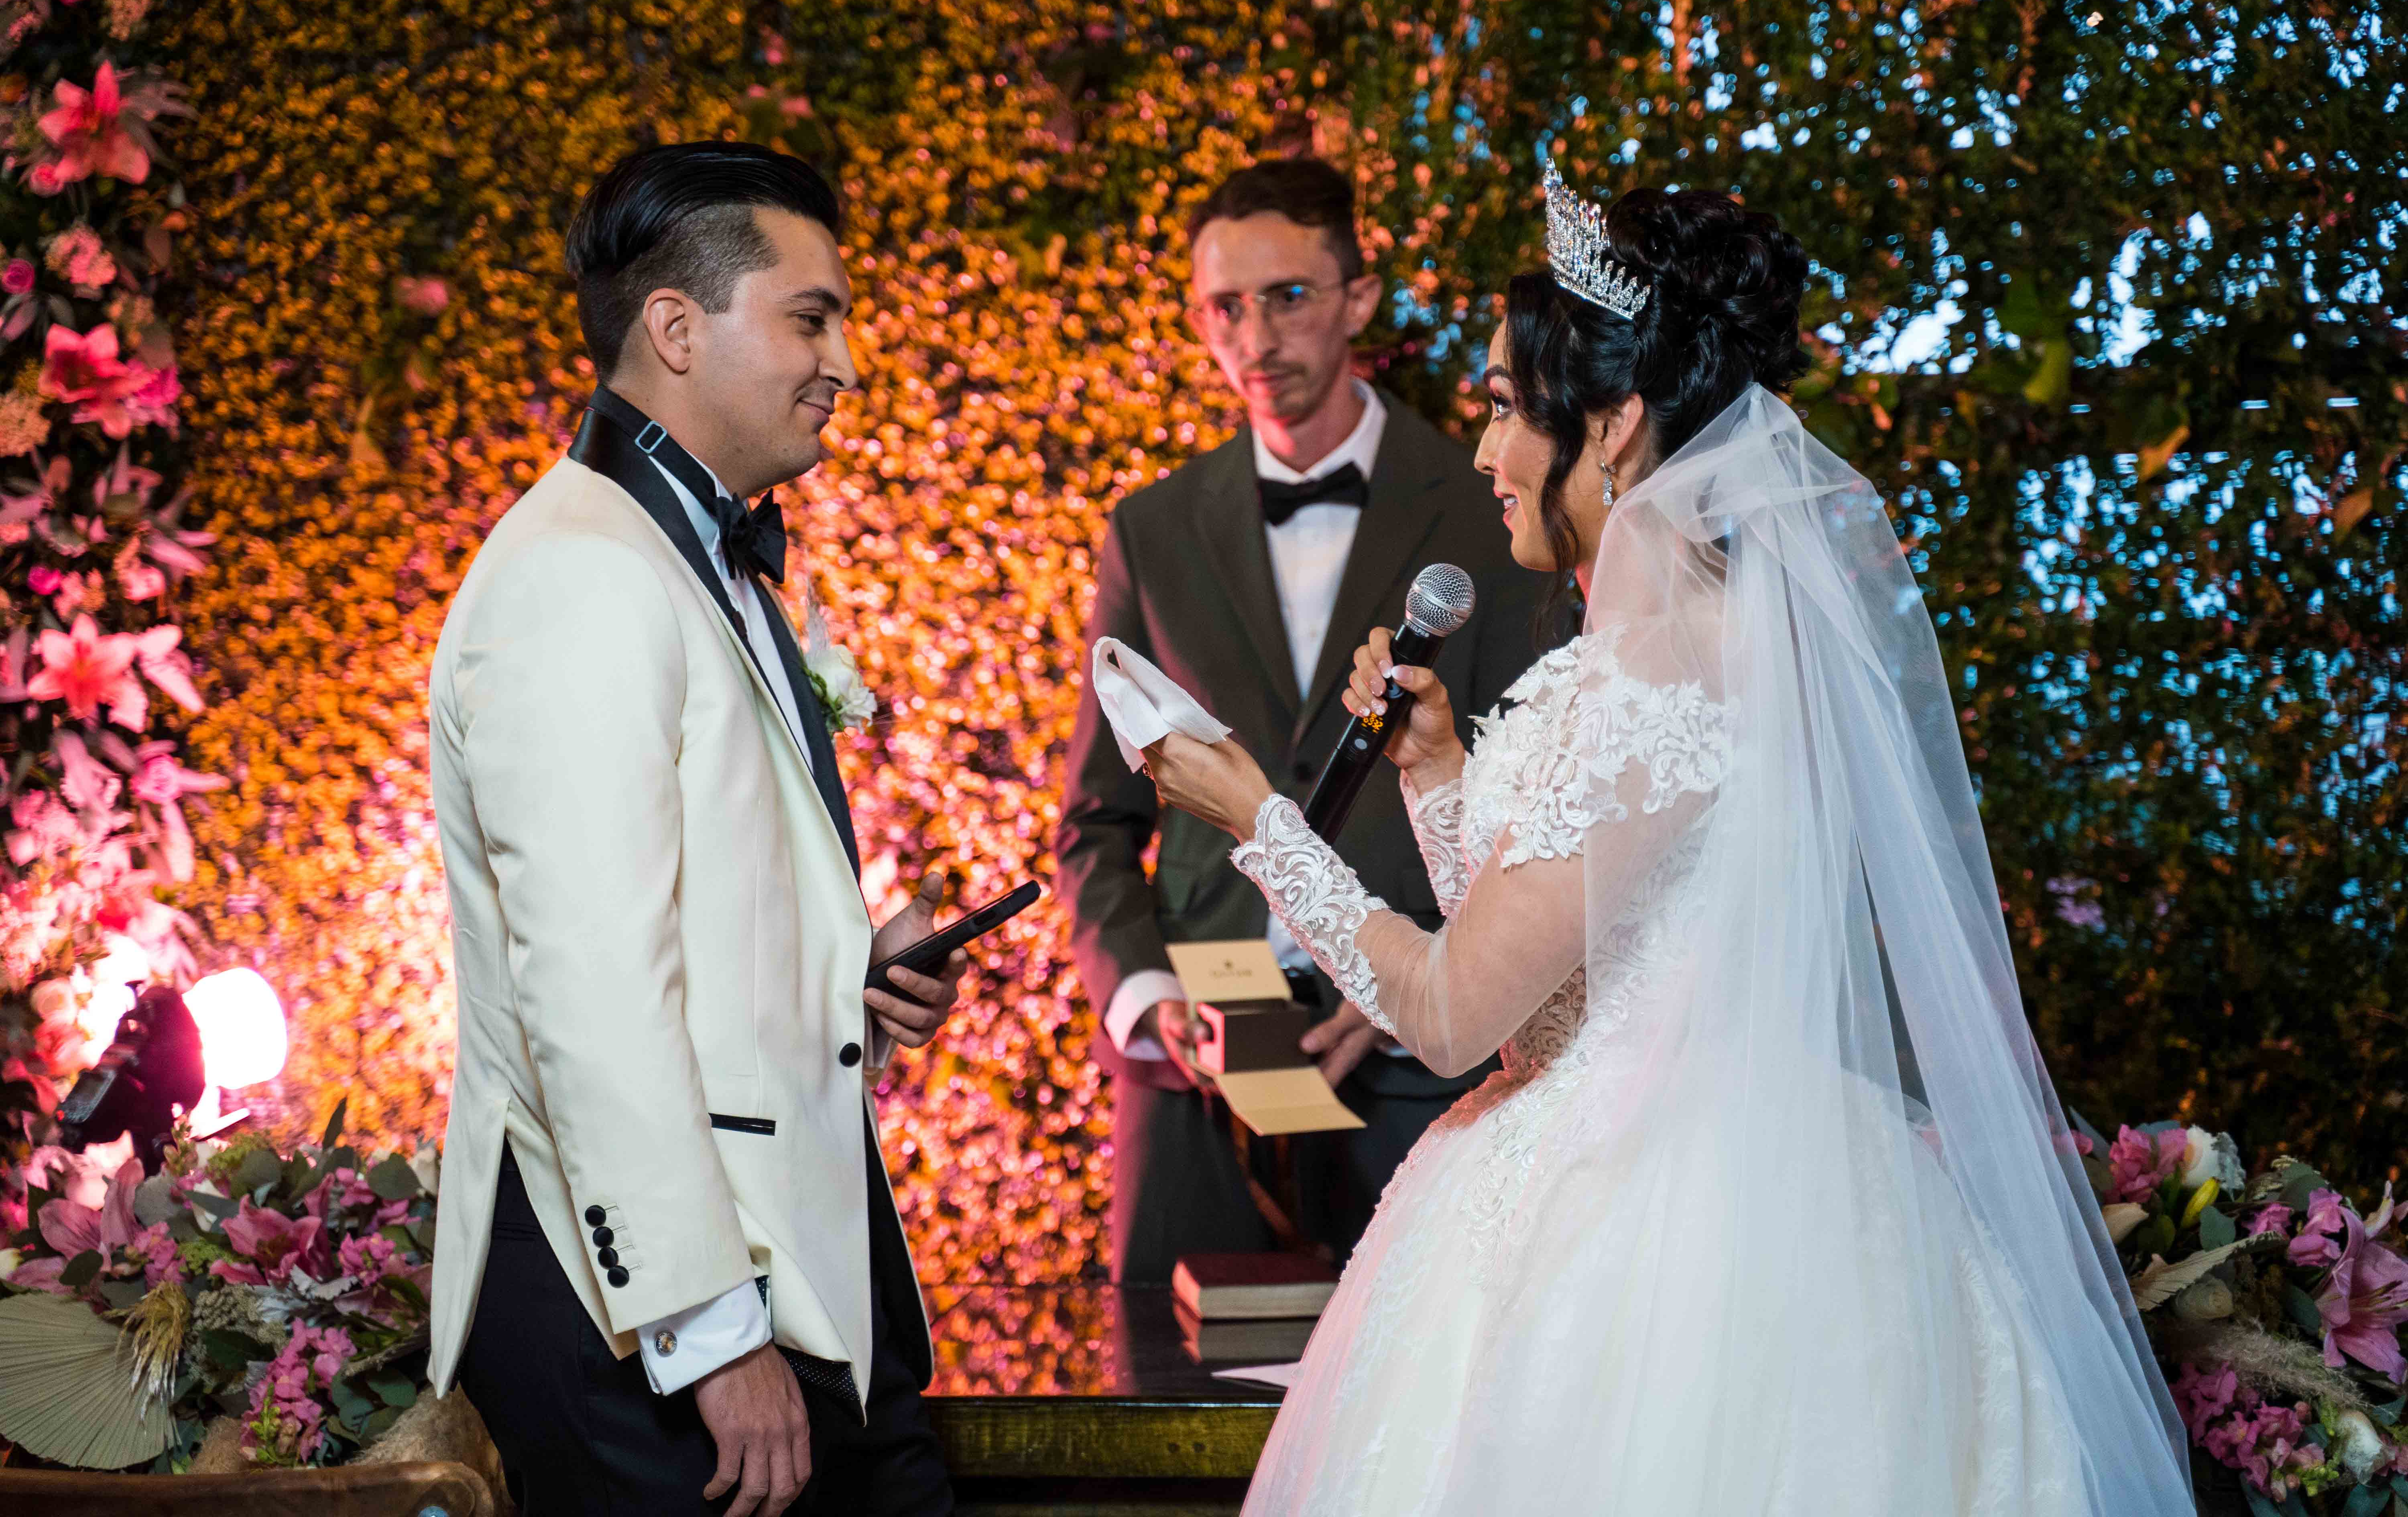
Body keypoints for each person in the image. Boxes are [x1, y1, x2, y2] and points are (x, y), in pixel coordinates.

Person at [1140, 169, 2196, 1513]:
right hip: (1623, 1140)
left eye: (1508, 409)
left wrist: (1259, 821)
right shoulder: (1640, 657)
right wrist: (1439, 772)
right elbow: (1546, 978)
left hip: (1660, 1223)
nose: (1485, 455)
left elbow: (1455, 1018)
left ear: (1616, 423)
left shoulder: (1665, 675)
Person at [426, 142, 962, 1517]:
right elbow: (590, 985)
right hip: (655, 1321)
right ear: (675, 328)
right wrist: (711, 1331)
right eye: (811, 318)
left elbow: (697, 916)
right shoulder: (579, 573)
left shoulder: (695, 560)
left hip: (801, 1258)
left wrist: (849, 969)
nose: (846, 362)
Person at [1055, 158, 1550, 1282]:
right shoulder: (1152, 527)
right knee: (1165, 1368)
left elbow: (1533, 792)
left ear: (1359, 299)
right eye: (1224, 307)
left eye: (1288, 297)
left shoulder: (1495, 504)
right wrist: (1147, 997)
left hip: (1423, 1063)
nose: (1256, 337)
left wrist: (1418, 983)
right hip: (1197, 1068)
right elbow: (1095, 820)